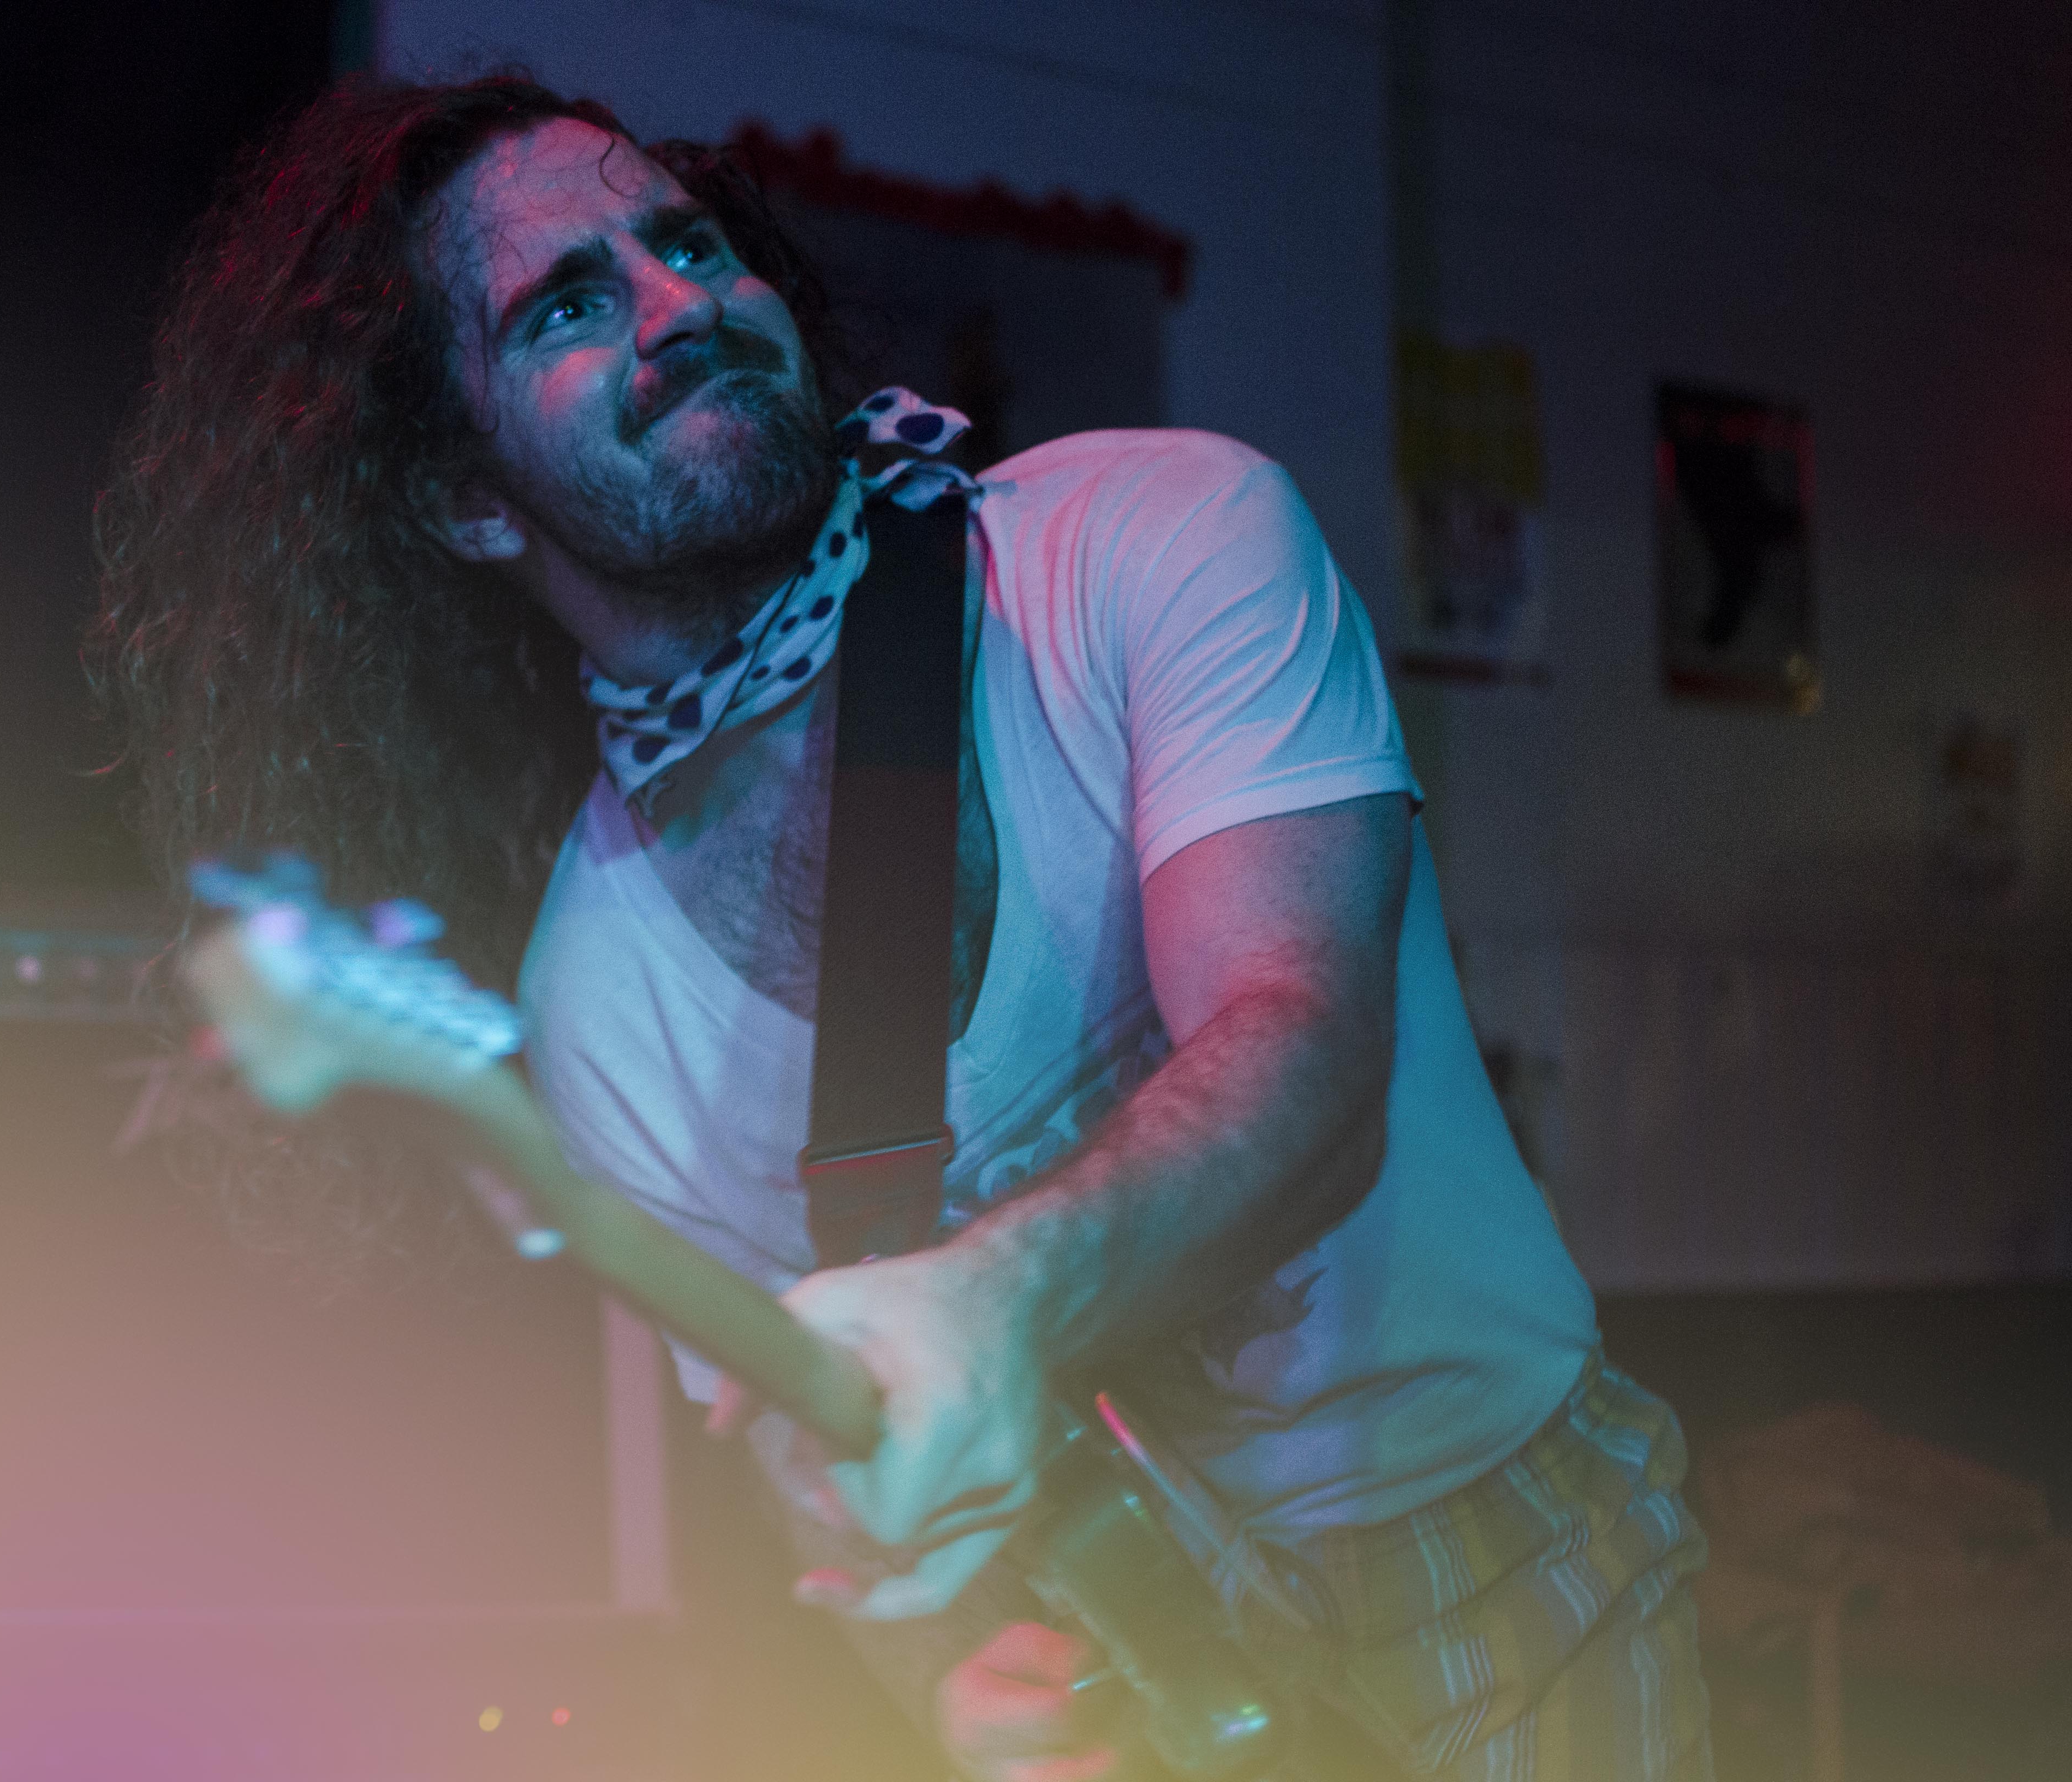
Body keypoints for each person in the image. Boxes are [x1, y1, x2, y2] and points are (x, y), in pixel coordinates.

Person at [91, 73, 1711, 1781]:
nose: (679, 305)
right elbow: (853, 1488)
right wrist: (956, 1684)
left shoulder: (1156, 537)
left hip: (1510, 1560)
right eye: (566, 306)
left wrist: (1003, 1296)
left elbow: (1304, 1052)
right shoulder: (599, 1002)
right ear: (465, 497)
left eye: (690, 243)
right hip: (1170, 1683)